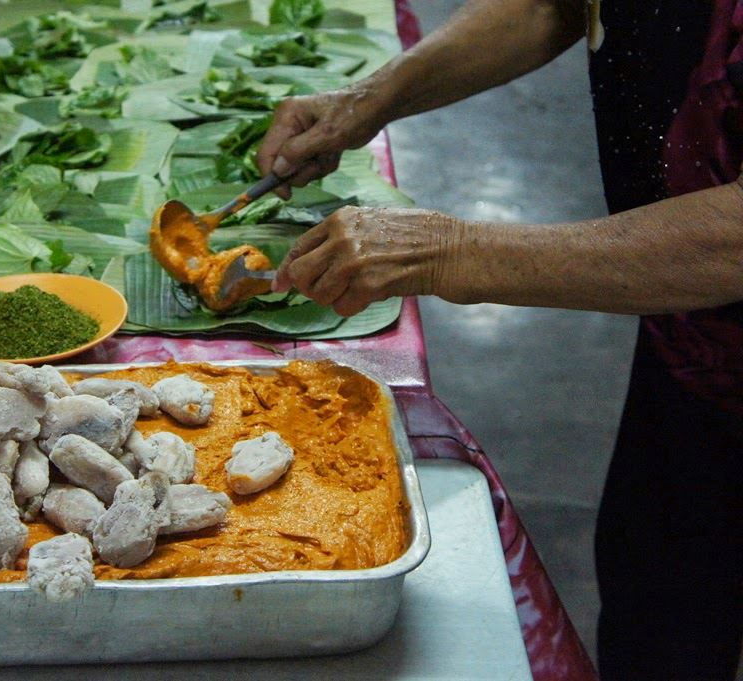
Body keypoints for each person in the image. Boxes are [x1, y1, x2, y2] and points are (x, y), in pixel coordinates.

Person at [256, 0, 743, 679]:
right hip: (693, 344)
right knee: (659, 605)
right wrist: (367, 100)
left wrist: (455, 250)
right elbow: (555, 6)